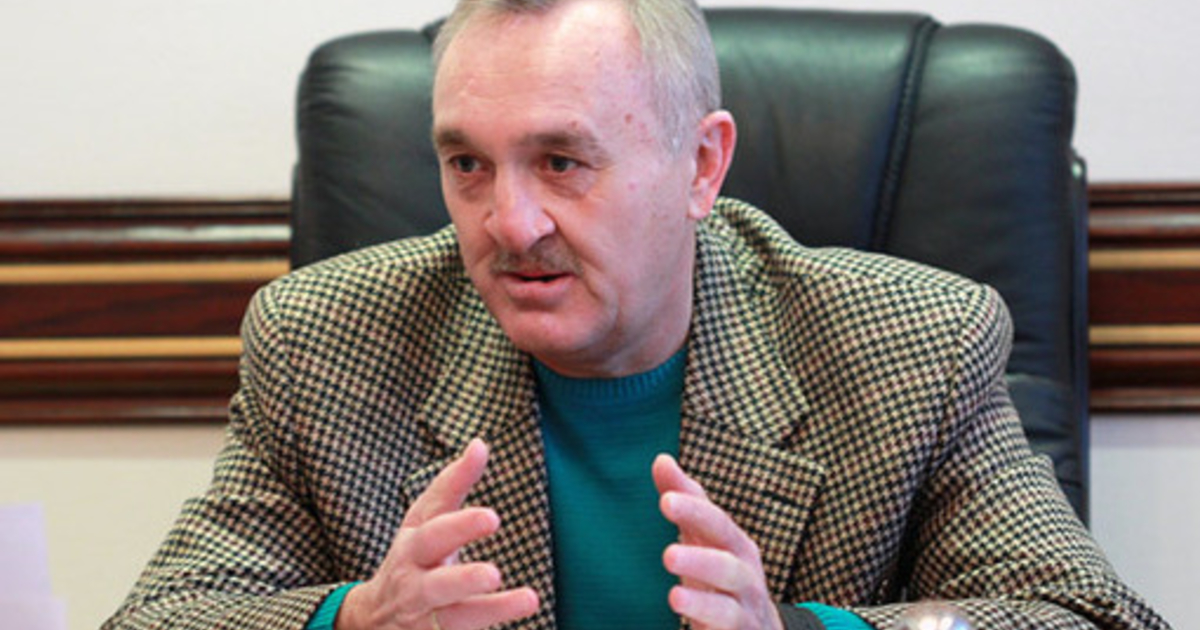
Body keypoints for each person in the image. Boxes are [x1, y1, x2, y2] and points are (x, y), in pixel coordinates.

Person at [103, 0, 1169, 629]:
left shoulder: (910, 346)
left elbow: (1083, 618)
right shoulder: (326, 342)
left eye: (563, 161)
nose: (509, 222)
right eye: (467, 164)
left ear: (701, 165)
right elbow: (161, 618)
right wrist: (352, 620)